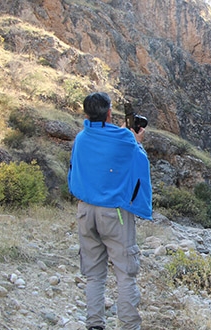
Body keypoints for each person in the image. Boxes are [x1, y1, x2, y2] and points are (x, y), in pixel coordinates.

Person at [68, 92, 152, 330]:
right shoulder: (124, 138)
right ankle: (129, 326)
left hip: (85, 211)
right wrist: (137, 142)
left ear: (86, 114)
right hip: (114, 214)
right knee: (125, 274)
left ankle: (95, 325)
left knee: (94, 275)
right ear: (108, 113)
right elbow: (139, 163)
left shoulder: (81, 138)